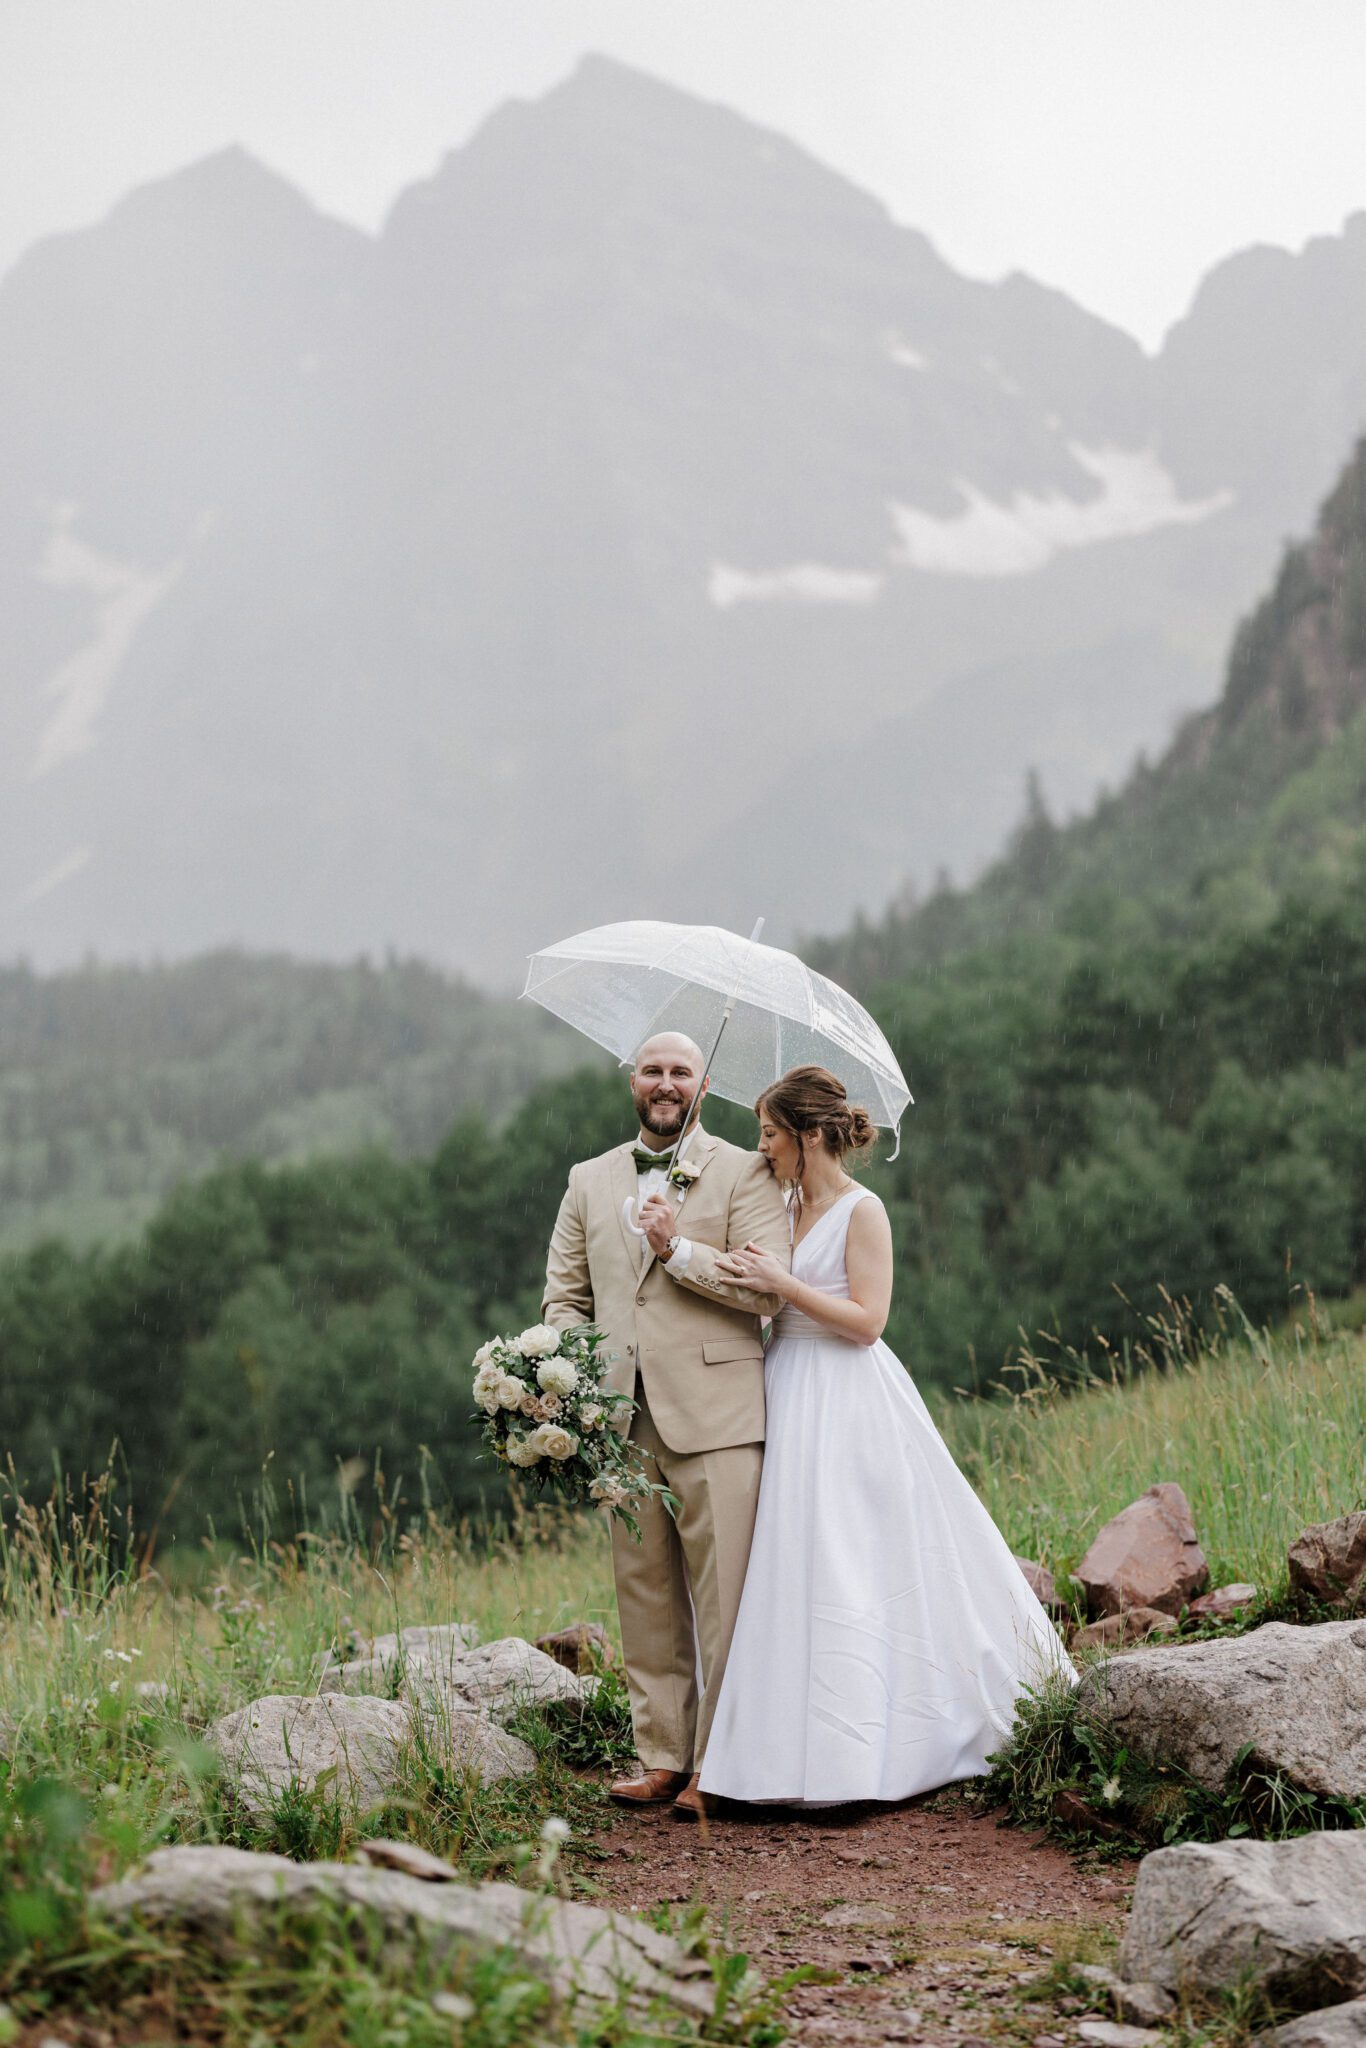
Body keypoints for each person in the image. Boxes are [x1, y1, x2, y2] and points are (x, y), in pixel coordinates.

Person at [699, 1064, 1073, 1810]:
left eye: (770, 1134)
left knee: (850, 1557)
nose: (762, 1147)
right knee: (788, 1561)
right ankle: (775, 1752)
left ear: (809, 1136)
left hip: (845, 1393)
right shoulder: (779, 1201)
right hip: (783, 1383)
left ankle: (869, 1747)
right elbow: (763, 1291)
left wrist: (787, 1287)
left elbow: (869, 1322)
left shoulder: (863, 1212)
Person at [541, 1031, 791, 1819]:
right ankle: (661, 1756)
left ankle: (723, 1765)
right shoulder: (588, 1179)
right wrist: (564, 1380)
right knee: (643, 1592)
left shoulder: (745, 1169)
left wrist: (675, 1248)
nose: (665, 1082)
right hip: (616, 1415)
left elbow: (766, 1291)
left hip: (717, 1413)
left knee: (726, 1598)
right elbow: (565, 1297)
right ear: (631, 1081)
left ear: (703, 1083)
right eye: (652, 1069)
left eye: (680, 1071)